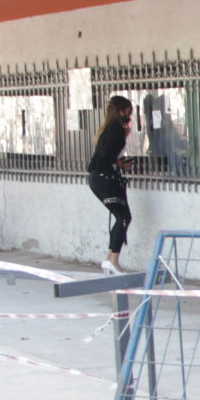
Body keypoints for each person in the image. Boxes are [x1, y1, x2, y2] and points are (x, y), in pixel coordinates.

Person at [88, 94, 134, 273]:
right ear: (120, 112)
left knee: (121, 217)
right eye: (128, 113)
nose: (129, 117)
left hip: (98, 178)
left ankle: (110, 259)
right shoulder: (115, 130)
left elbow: (107, 155)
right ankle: (112, 259)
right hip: (104, 179)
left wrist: (120, 163)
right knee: (124, 217)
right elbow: (107, 156)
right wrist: (120, 162)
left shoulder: (109, 129)